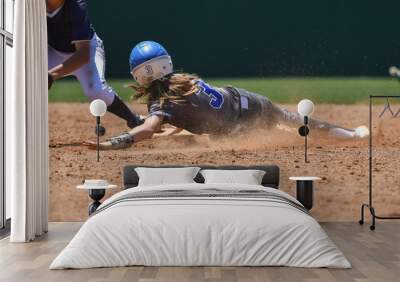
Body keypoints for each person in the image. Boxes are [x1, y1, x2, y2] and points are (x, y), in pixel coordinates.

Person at [84, 41, 369, 150]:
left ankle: (310, 135)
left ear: (139, 75)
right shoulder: (185, 80)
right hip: (250, 100)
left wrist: (120, 141)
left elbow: (149, 127)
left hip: (238, 127)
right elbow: (192, 110)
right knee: (292, 119)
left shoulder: (161, 102)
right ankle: (351, 134)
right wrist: (167, 130)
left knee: (281, 134)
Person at [46, 0, 142, 128]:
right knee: (26, 77)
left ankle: (132, 118)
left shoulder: (76, 5)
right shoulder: (33, 5)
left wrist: (51, 75)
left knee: (96, 91)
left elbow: (83, 55)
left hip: (85, 52)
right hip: (52, 52)